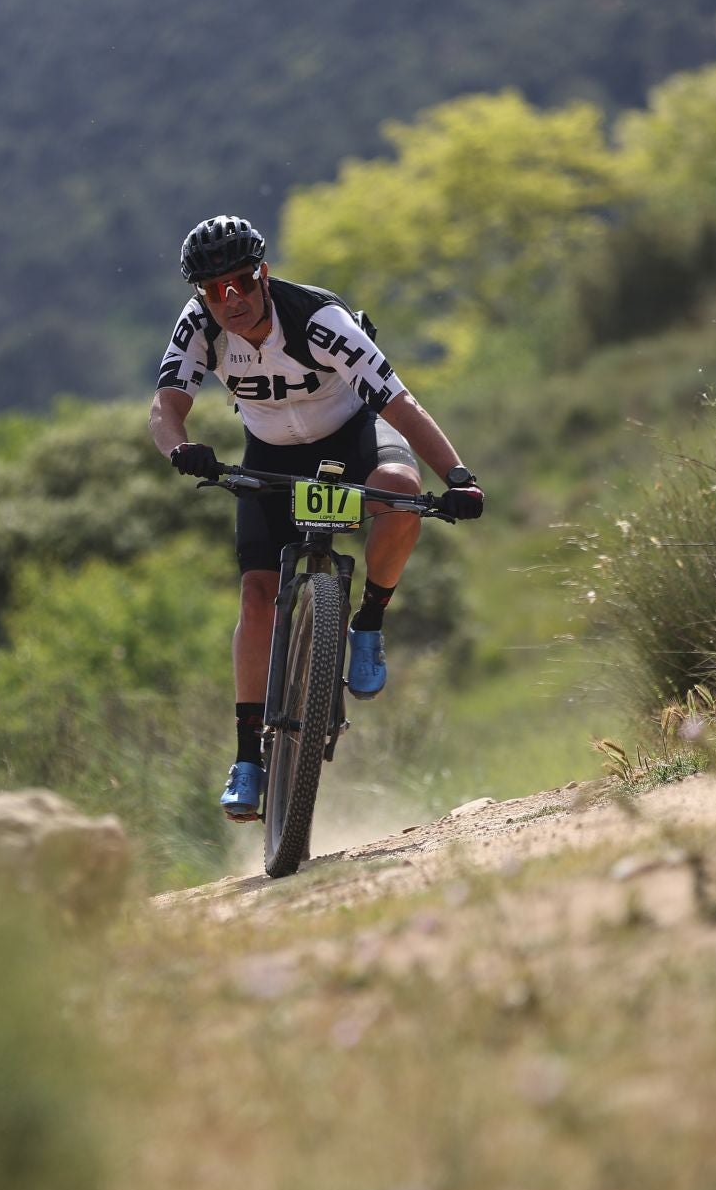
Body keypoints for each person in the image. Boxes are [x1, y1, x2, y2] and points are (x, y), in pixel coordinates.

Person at [148, 214, 485, 822]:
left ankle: (369, 623)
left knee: (400, 492)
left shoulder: (318, 321)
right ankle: (248, 756)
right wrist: (178, 446)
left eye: (241, 284)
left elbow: (399, 403)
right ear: (201, 294)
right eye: (213, 290)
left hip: (353, 435)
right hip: (271, 452)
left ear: (263, 276)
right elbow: (166, 405)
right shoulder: (200, 325)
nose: (230, 301)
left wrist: (457, 478)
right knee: (256, 595)